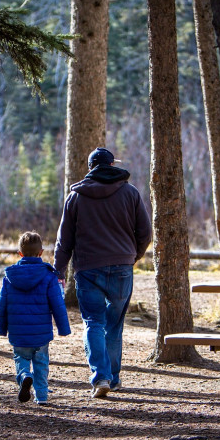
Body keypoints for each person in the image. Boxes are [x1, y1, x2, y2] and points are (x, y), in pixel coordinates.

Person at [54, 147, 152, 398]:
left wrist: (59, 270)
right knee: (114, 325)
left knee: (94, 323)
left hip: (88, 269)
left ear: (91, 168)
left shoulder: (75, 197)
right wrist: (133, 256)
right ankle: (114, 378)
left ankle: (101, 378)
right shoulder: (130, 193)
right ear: (111, 165)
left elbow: (64, 241)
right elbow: (145, 233)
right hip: (121, 267)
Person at [0, 231, 71, 404]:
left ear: (20, 253)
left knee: (20, 358)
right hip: (41, 332)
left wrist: (0, 329)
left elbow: (2, 304)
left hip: (18, 331)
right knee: (41, 363)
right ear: (41, 252)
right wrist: (63, 328)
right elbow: (57, 304)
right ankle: (42, 396)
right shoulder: (49, 276)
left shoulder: (10, 278)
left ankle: (24, 376)